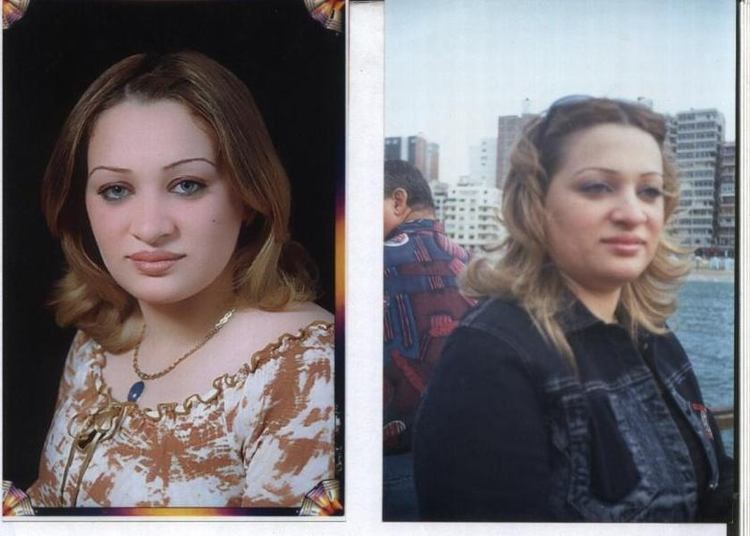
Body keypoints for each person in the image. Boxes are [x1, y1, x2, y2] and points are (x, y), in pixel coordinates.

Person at [26, 51, 335, 508]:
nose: (150, 228)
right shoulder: (97, 338)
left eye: (186, 184)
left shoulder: (308, 366)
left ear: (250, 194)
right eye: (116, 190)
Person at [413, 97, 734, 521]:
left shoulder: (655, 335)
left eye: (649, 190)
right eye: (597, 186)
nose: (632, 212)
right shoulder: (489, 357)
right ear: (536, 203)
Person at [383, 160, 474, 520]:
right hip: (468, 462)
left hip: (392, 467)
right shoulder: (477, 266)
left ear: (398, 201)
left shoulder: (365, 266)